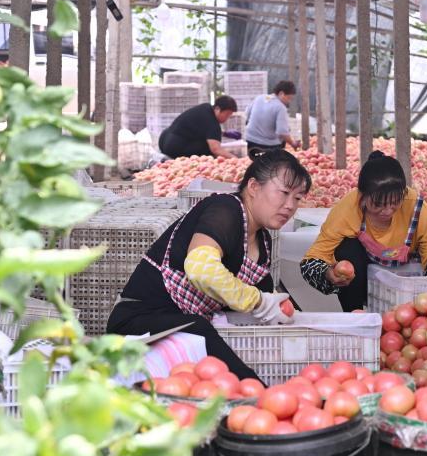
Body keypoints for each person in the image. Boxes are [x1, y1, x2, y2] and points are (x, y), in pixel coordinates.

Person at [107, 150, 312, 381]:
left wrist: (278, 306)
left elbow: (262, 297)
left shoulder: (262, 240)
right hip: (140, 324)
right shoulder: (225, 209)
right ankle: (257, 394)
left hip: (185, 328)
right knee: (203, 333)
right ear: (254, 187)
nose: (289, 205)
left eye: (297, 198)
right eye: (284, 193)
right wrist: (257, 300)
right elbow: (201, 269)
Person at [299, 151, 427, 311]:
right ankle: (356, 316)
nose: (387, 211)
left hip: (412, 267)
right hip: (368, 276)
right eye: (378, 204)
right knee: (347, 249)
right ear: (362, 196)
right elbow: (312, 260)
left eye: (394, 203)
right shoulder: (347, 210)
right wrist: (328, 273)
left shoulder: (413, 204)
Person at [158, 95, 238, 159]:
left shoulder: (205, 108)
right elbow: (215, 149)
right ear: (217, 109)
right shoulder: (212, 122)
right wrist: (236, 159)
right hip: (175, 148)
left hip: (164, 140)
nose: (227, 118)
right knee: (208, 150)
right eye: (227, 114)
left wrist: (224, 133)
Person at [243, 80, 299, 159]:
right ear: (281, 93)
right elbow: (282, 132)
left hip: (250, 142)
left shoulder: (260, 98)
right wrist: (293, 143)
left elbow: (247, 114)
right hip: (268, 147)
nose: (289, 101)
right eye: (289, 98)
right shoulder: (280, 107)